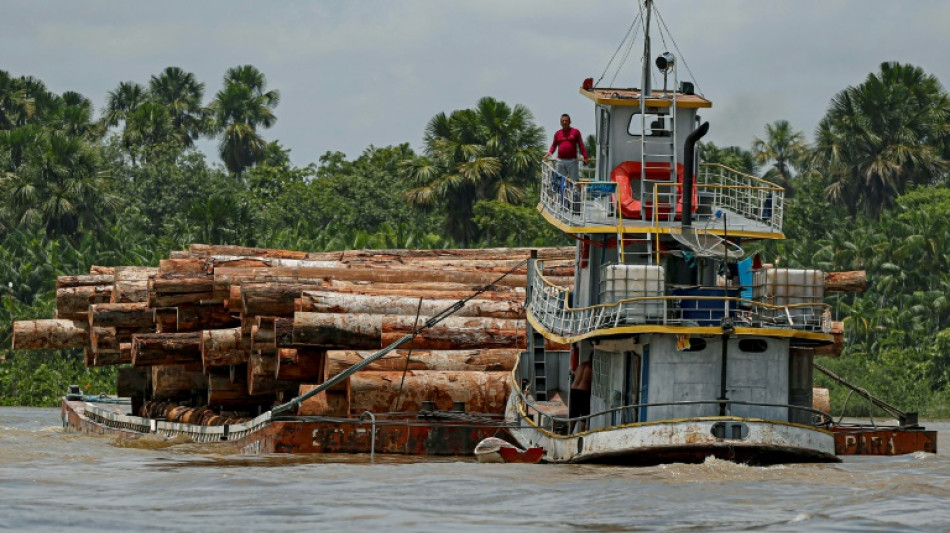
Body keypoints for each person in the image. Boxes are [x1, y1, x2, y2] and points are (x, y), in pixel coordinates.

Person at [546, 114, 590, 181]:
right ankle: (560, 191)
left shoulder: (575, 132)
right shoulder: (557, 133)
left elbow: (581, 144)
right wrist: (550, 152)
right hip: (560, 161)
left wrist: (585, 157)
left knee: (575, 181)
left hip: (572, 161)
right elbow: (554, 145)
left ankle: (576, 192)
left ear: (569, 122)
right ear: (560, 122)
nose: (564, 122)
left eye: (566, 121)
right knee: (559, 181)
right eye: (563, 121)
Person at [569, 359, 592, 432]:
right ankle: (582, 434)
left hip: (574, 390)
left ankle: (570, 433)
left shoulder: (581, 365)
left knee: (573, 414)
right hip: (584, 391)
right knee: (584, 415)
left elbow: (574, 374)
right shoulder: (591, 367)